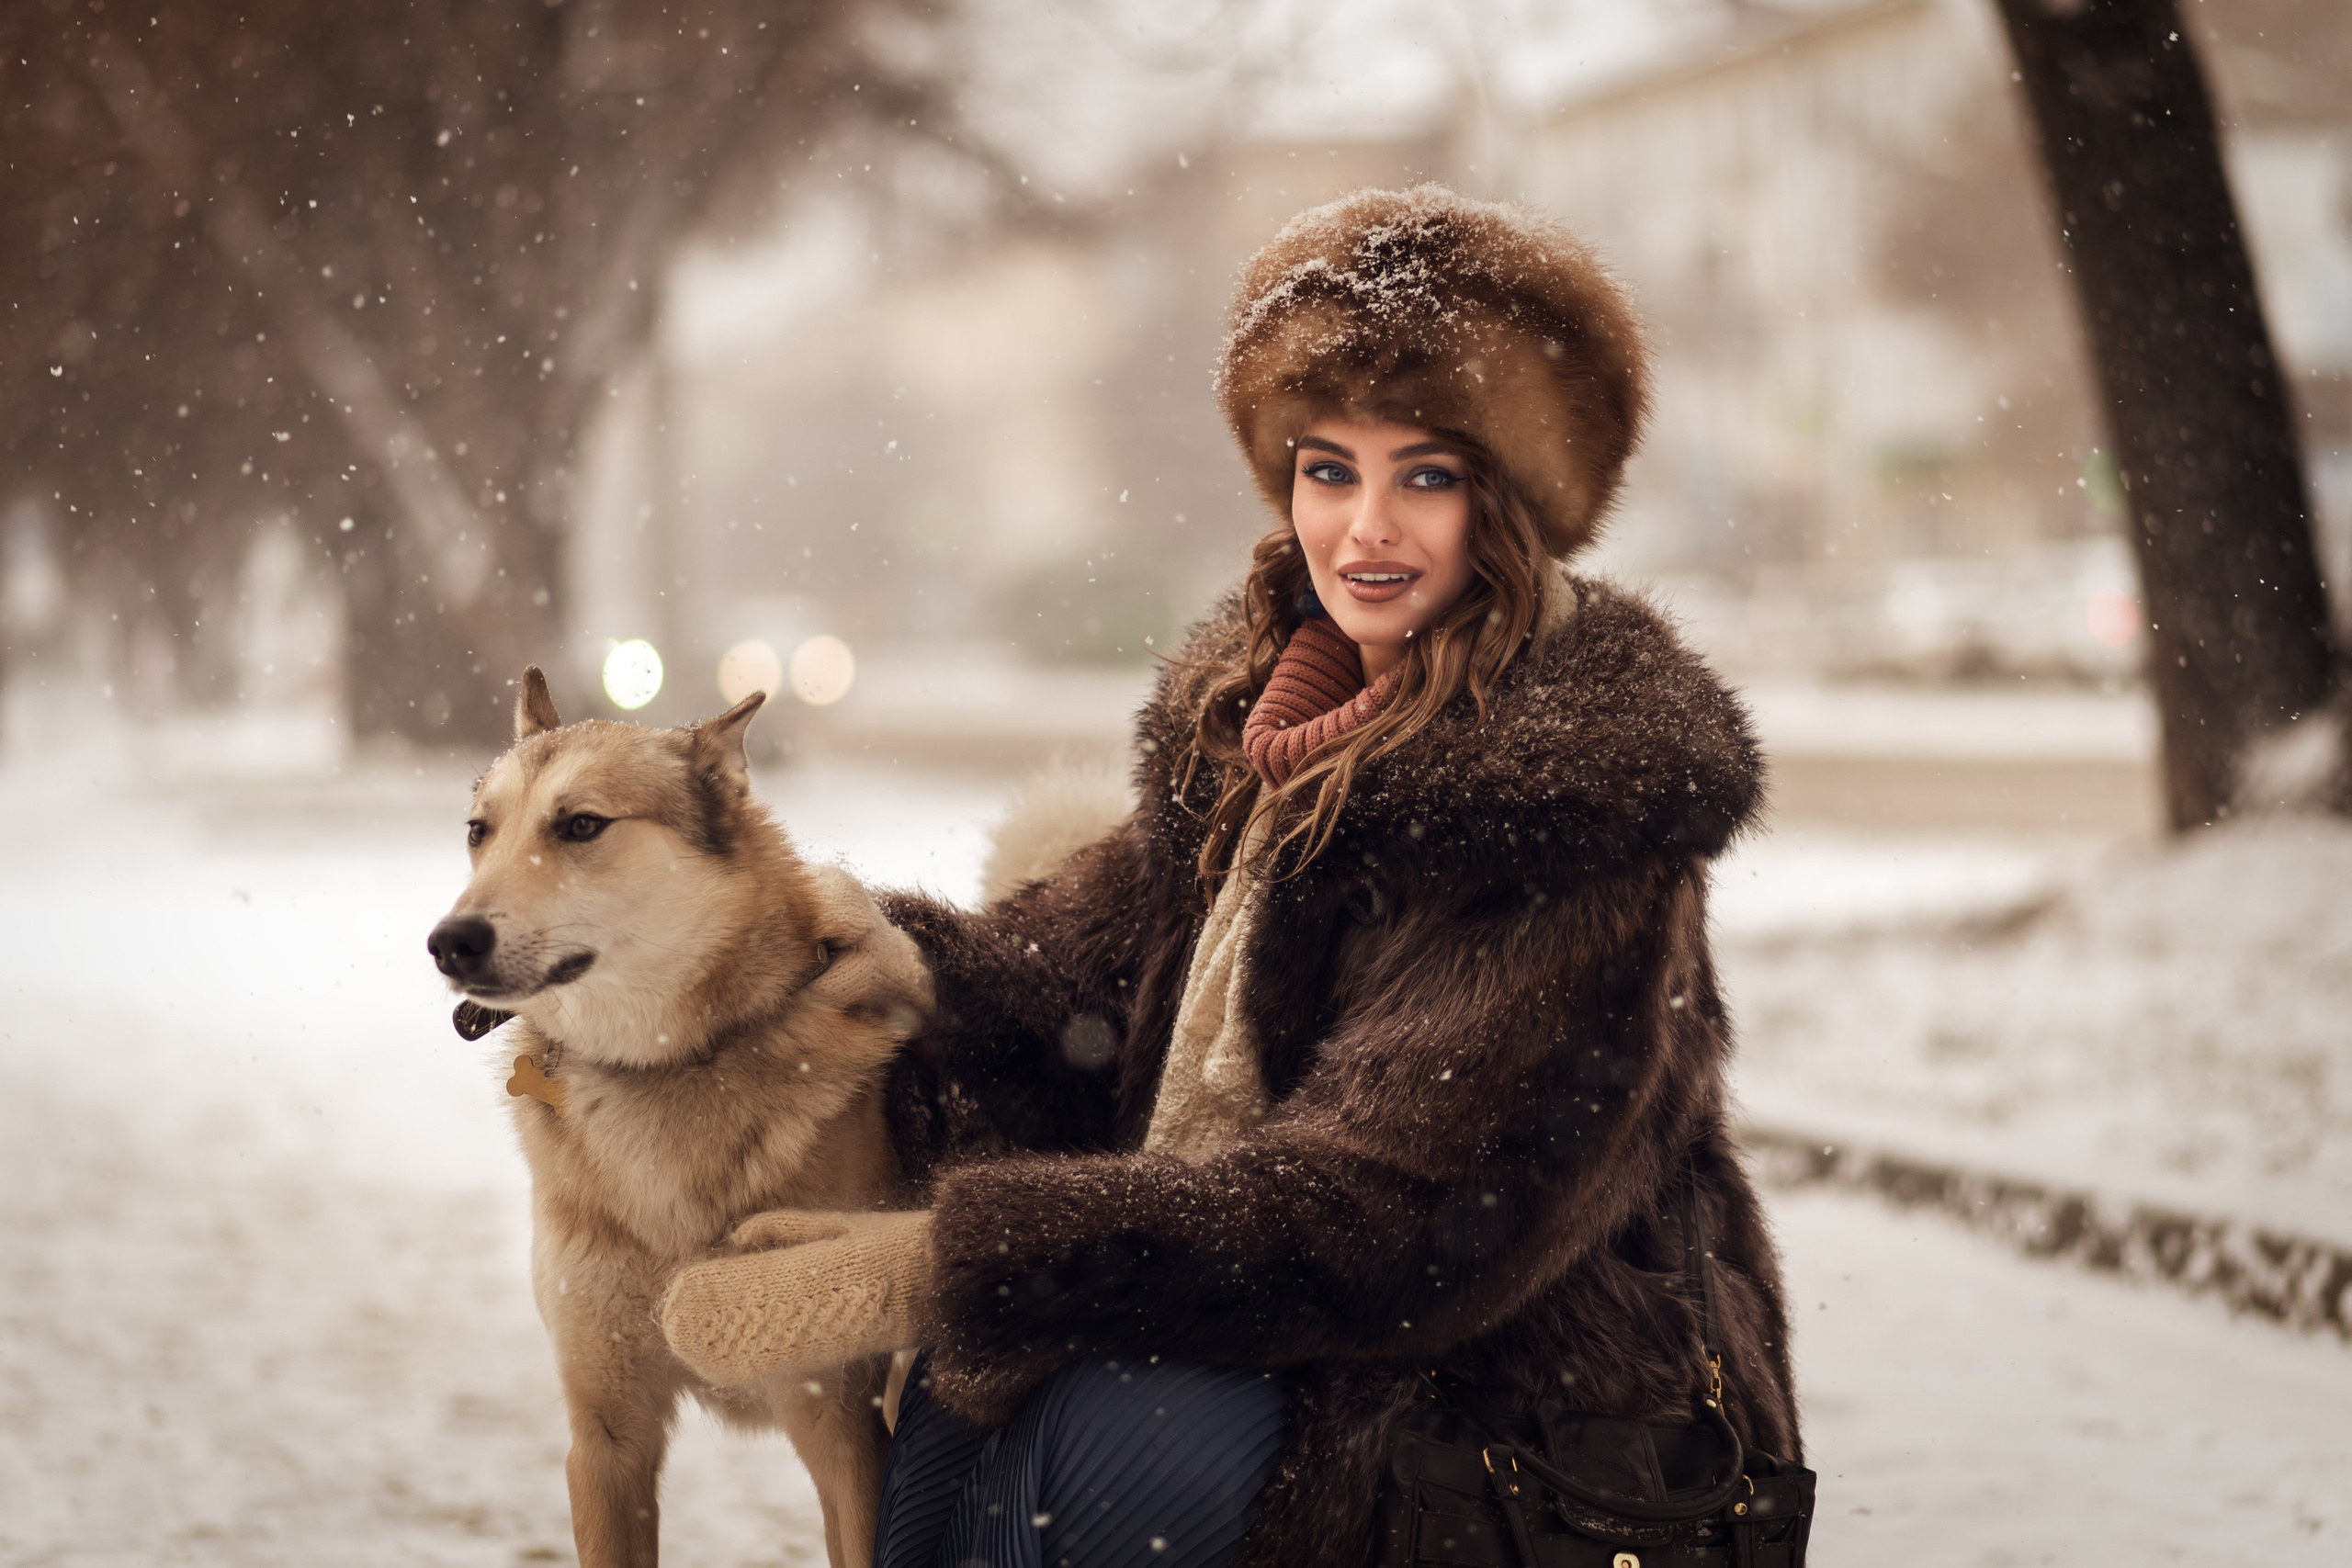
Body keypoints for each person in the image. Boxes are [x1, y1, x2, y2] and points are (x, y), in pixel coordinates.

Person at [661, 185, 1801, 1568]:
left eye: (1425, 477)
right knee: (960, 1415)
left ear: (1513, 503)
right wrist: (827, 951)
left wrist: (941, 1262)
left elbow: (1386, 1220)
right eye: (1330, 471)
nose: (1364, 530)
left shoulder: (1571, 814)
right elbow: (1072, 994)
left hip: (1520, 1424)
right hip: (1294, 1334)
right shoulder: (1260, 737)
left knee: (1095, 1435)